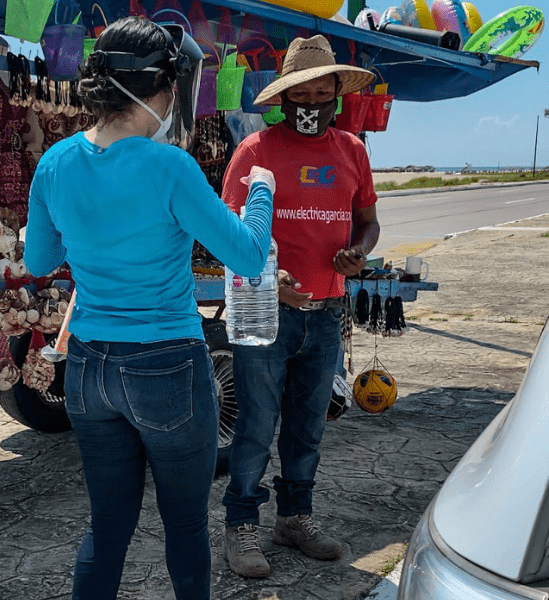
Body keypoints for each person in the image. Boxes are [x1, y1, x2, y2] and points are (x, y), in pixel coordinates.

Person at [23, 16, 276, 600]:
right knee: (184, 524)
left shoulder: (56, 163)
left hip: (89, 367)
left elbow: (39, 261)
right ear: (163, 90)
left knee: (107, 525)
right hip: (167, 364)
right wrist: (259, 187)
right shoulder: (170, 166)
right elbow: (247, 253)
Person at [220, 34, 380, 578]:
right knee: (257, 425)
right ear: (283, 99)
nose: (310, 105)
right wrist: (271, 278)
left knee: (309, 425)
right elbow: (231, 236)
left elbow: (367, 222)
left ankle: (294, 518)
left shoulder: (353, 150)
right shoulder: (255, 151)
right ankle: (241, 526)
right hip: (264, 314)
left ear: (337, 95)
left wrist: (358, 252)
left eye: (321, 94)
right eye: (300, 95)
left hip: (327, 314)